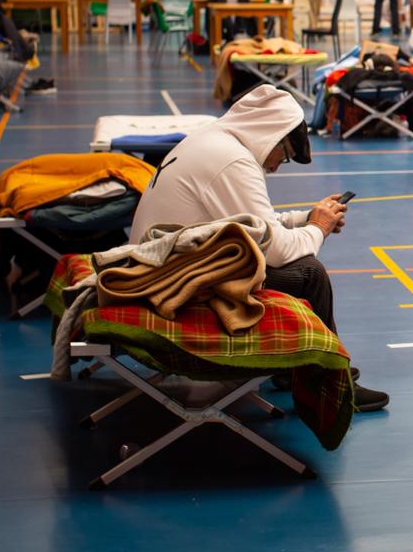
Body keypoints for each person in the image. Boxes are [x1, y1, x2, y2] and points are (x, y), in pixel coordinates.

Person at [128, 85, 389, 411]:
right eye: (286, 154)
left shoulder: (212, 140)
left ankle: (293, 370)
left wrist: (306, 218)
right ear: (272, 135)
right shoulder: (233, 161)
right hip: (173, 280)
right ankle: (331, 386)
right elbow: (274, 251)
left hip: (163, 266)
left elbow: (253, 226)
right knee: (310, 274)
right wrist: (318, 229)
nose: (279, 165)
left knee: (295, 261)